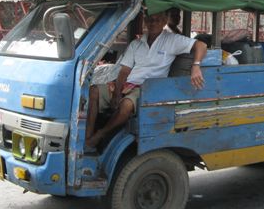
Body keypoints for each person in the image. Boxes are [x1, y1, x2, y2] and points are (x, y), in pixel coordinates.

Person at [85, 10, 207, 149]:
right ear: (145, 21)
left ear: (164, 21)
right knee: (94, 90)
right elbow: (124, 71)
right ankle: (87, 137)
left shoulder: (172, 40)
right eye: (150, 20)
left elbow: (201, 45)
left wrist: (196, 66)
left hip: (147, 89)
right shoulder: (136, 43)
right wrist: (117, 93)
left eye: (157, 20)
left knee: (126, 105)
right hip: (127, 84)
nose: (153, 23)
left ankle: (100, 134)